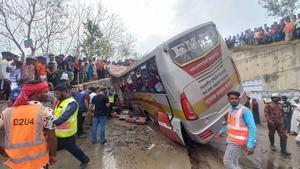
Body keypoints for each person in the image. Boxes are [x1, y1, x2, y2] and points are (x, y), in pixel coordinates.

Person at [0, 81, 57, 169]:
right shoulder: (47, 112)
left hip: (15, 164)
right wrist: (53, 155)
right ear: (37, 94)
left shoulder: (7, 112)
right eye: (45, 91)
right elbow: (51, 137)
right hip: (39, 163)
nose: (48, 94)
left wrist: (2, 151)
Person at [53, 85, 90, 169]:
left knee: (73, 149)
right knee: (52, 148)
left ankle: (85, 160)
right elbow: (55, 113)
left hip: (67, 133)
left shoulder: (72, 103)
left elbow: (64, 117)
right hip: (57, 132)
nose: (56, 96)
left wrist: (52, 122)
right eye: (55, 94)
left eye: (58, 93)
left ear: (65, 92)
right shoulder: (59, 101)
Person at [217, 91, 256, 169]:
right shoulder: (230, 110)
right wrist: (221, 131)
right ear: (228, 100)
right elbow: (229, 123)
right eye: (232, 98)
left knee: (227, 162)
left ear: (239, 99)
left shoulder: (245, 110)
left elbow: (252, 127)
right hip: (231, 140)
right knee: (234, 161)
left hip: (237, 142)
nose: (234, 100)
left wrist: (250, 144)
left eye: (236, 98)